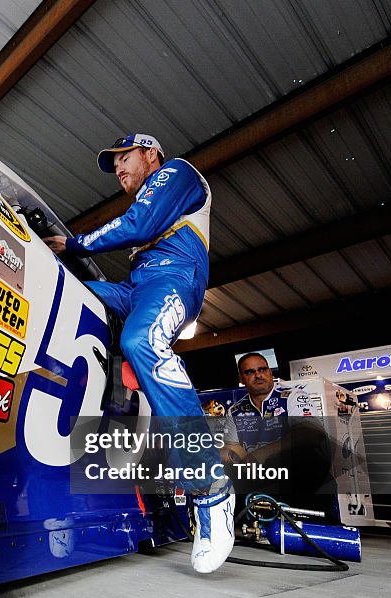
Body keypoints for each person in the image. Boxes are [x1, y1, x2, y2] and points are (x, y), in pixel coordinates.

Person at [44, 133, 233, 573]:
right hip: (137, 288)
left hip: (175, 277)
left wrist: (73, 244)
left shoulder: (177, 173)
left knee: (141, 341)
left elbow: (140, 226)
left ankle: (210, 487)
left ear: (151, 154)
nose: (119, 170)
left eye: (124, 159)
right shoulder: (148, 198)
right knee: (70, 291)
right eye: (114, 166)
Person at [221, 353, 335, 520]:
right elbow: (229, 446)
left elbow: (312, 433)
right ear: (241, 378)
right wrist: (236, 455)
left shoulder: (293, 396)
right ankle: (236, 521)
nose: (258, 375)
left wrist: (263, 453)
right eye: (250, 372)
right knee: (220, 467)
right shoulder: (235, 410)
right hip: (254, 472)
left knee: (309, 455)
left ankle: (308, 520)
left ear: (270, 372)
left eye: (262, 369)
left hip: (289, 469)